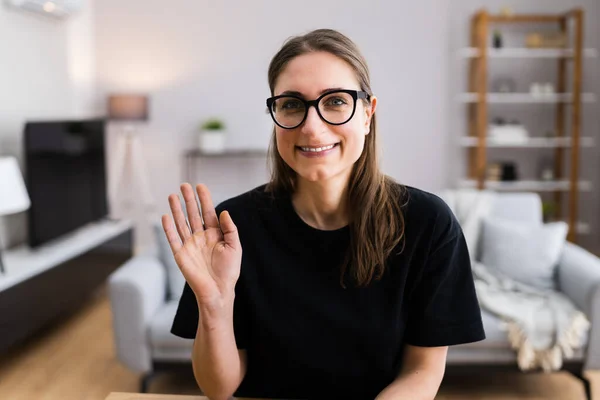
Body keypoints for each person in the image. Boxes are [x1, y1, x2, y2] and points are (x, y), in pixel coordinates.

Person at [163, 28, 485, 400]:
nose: (312, 128)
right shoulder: (233, 227)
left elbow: (422, 371)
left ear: (367, 113)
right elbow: (219, 389)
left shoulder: (428, 223)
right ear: (275, 113)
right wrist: (214, 305)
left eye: (334, 101)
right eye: (292, 104)